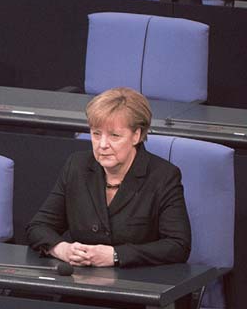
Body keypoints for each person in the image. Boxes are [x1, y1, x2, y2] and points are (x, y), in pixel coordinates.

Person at [26, 87, 191, 267]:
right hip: (82, 285)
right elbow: (38, 227)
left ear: (136, 135)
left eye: (114, 136)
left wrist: (116, 255)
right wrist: (62, 249)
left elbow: (178, 245)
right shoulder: (77, 166)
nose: (102, 145)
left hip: (138, 284)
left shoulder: (163, 176)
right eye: (96, 134)